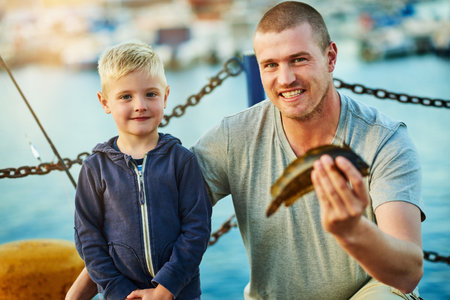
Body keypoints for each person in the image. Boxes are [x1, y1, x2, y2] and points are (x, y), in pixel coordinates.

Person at [67, 2, 425, 299]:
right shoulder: (234, 136)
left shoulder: (383, 140)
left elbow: (407, 274)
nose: (285, 78)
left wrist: (352, 231)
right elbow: (154, 206)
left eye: (298, 59)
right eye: (270, 64)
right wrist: (80, 293)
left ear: (330, 57)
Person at [72, 40, 212, 300]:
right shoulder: (95, 169)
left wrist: (166, 289)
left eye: (151, 94)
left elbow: (197, 229)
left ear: (166, 97)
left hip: (178, 293)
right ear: (105, 102)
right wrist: (118, 290)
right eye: (126, 96)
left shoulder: (182, 161)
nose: (140, 105)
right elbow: (88, 239)